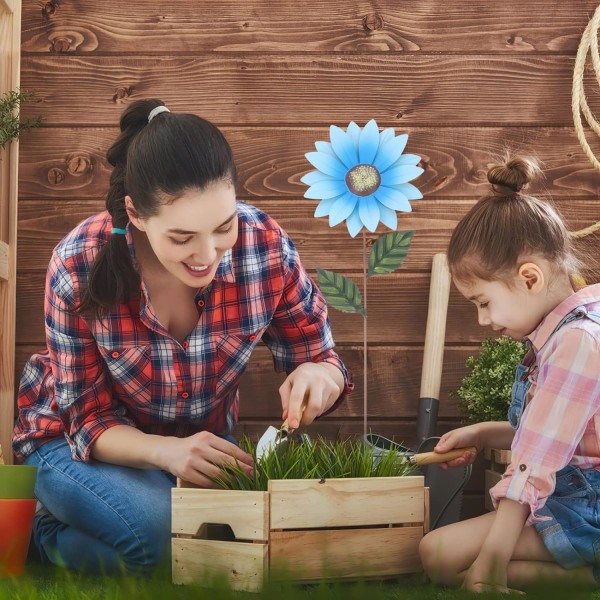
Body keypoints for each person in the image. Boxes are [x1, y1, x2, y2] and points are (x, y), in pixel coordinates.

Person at [12, 99, 352, 576]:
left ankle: (115, 528)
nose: (207, 254)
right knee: (164, 536)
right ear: (136, 214)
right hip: (73, 446)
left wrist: (320, 374)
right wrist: (166, 453)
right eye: (181, 238)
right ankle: (45, 533)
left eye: (223, 226)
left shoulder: (265, 245)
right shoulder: (78, 263)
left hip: (196, 451)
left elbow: (320, 356)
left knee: (215, 548)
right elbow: (86, 422)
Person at [419, 155, 600, 593]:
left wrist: (491, 562)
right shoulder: (561, 332)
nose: (483, 320)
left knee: (438, 556)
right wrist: (483, 433)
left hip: (587, 505)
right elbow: (563, 437)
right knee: (442, 560)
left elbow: (535, 461)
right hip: (569, 496)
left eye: (483, 302)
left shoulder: (577, 343)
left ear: (530, 278)